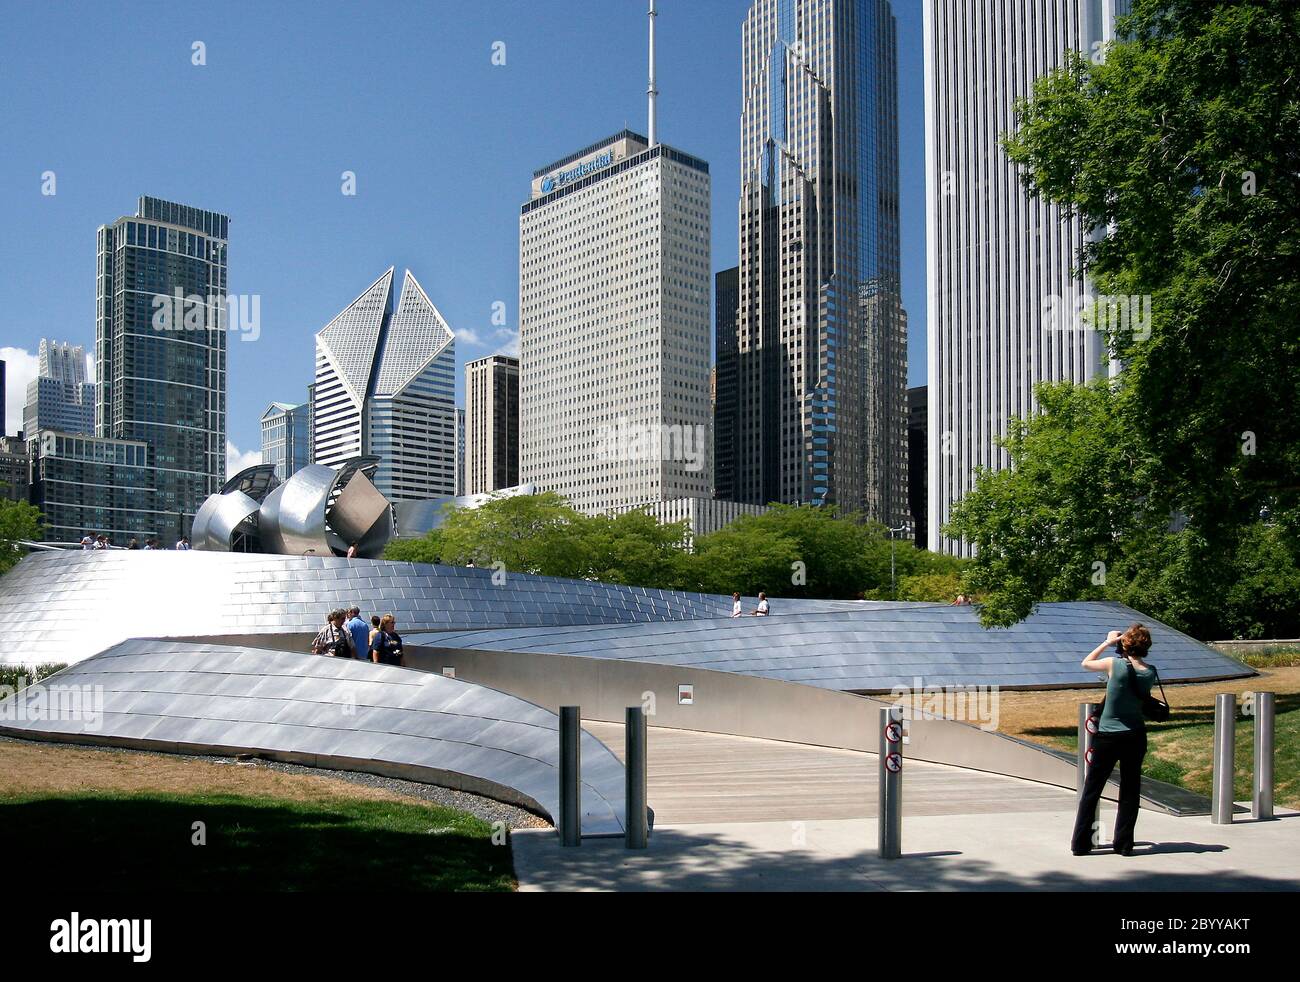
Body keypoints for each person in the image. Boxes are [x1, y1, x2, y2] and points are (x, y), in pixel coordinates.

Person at [1071, 624, 1157, 857]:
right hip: (1136, 735)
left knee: (1093, 789)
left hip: (1108, 735)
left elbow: (1086, 663)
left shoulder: (1114, 664)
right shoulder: (1150, 672)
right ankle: (1124, 844)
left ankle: (1081, 844)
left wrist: (1108, 642)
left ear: (1124, 643)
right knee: (1130, 789)